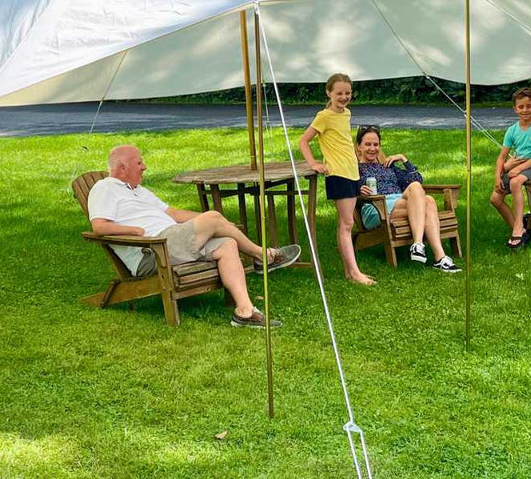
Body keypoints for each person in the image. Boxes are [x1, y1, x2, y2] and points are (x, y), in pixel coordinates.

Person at [89, 144, 300, 327]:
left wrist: (218, 223)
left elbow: (174, 214)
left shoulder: (139, 190)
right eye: (139, 163)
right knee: (213, 218)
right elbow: (99, 226)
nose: (144, 167)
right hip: (152, 250)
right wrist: (135, 231)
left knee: (227, 243)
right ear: (122, 167)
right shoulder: (105, 187)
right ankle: (263, 256)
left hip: (172, 241)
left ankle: (244, 311)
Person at [298, 73, 375, 285]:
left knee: (345, 223)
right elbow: (303, 141)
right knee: (347, 223)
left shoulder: (346, 114)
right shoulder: (323, 116)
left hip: (352, 172)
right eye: (339, 93)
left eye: (348, 93)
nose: (344, 97)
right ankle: (355, 272)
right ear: (329, 93)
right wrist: (314, 163)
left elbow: (343, 142)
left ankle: (349, 272)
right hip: (338, 173)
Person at [355, 126, 461, 273]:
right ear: (358, 147)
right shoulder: (354, 169)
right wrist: (356, 189)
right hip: (377, 208)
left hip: (401, 204)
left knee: (426, 198)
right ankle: (421, 247)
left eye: (376, 144)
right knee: (424, 196)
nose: (372, 148)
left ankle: (438, 256)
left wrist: (404, 159)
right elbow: (343, 188)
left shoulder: (388, 166)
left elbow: (417, 179)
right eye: (367, 144)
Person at [490, 87, 531, 250]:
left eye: (529, 106)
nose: (525, 110)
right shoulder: (512, 130)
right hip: (515, 168)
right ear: (515, 109)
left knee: (515, 183)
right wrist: (498, 176)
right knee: (495, 199)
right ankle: (521, 228)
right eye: (521, 107)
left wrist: (517, 169)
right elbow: (502, 157)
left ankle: (516, 228)